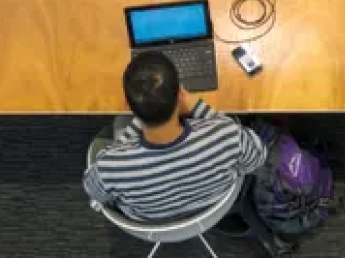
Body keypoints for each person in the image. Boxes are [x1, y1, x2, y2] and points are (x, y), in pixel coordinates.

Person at [83, 52, 268, 222]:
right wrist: (201, 108)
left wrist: (140, 117)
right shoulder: (227, 135)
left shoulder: (110, 166)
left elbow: (94, 191)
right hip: (212, 208)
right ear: (180, 95)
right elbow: (258, 158)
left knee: (118, 125)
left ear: (127, 106)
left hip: (152, 223)